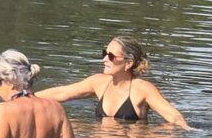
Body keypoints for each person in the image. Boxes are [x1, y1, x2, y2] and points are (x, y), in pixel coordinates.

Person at [37, 35, 190, 127]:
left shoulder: (142, 89)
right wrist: (23, 98)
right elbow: (61, 92)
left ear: (128, 63)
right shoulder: (99, 82)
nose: (104, 59)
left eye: (111, 56)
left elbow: (174, 117)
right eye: (104, 53)